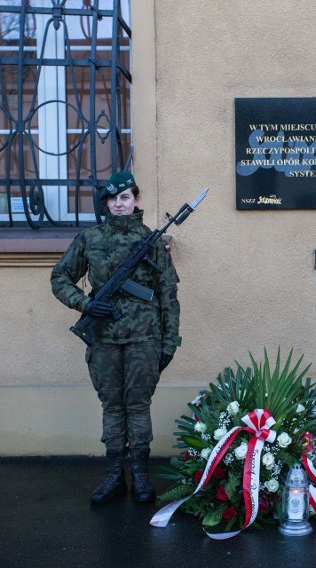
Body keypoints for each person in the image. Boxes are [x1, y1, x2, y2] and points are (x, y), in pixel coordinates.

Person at [51, 171, 181, 504]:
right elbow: (60, 278)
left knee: (138, 407)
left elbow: (168, 295)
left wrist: (169, 342)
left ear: (136, 199)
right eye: (112, 199)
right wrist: (87, 303)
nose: (118, 204)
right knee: (112, 406)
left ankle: (139, 474)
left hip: (144, 339)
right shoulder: (89, 239)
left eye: (124, 197)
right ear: (106, 204)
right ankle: (113, 475)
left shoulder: (153, 242)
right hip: (103, 338)